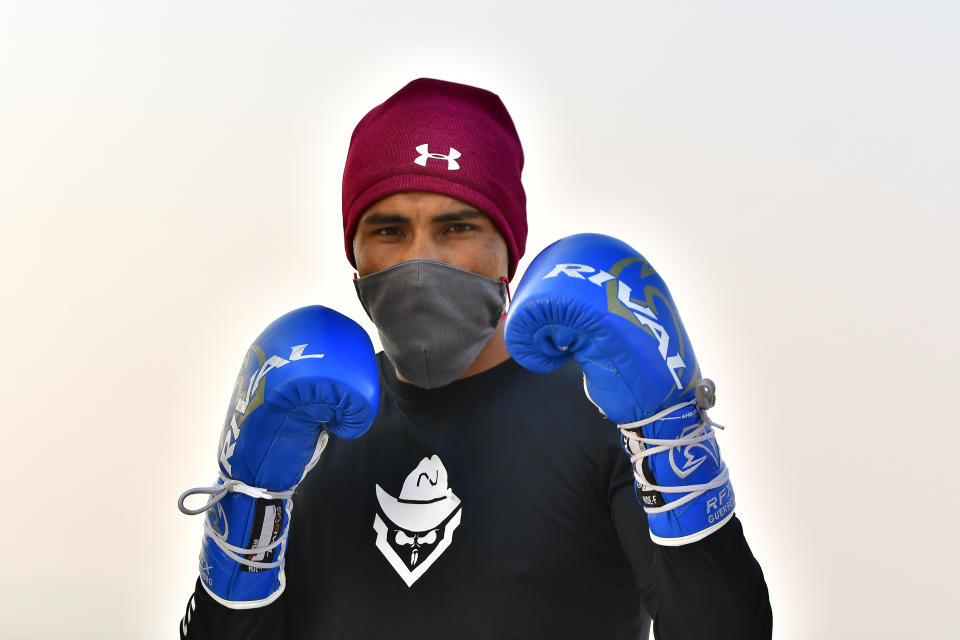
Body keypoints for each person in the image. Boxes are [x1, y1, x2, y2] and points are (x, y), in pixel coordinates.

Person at [178, 78, 773, 639]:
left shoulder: (603, 412)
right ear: (355, 256)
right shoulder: (307, 424)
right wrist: (248, 504)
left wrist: (672, 430)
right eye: (388, 231)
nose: (421, 260)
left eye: (455, 226)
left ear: (509, 251)